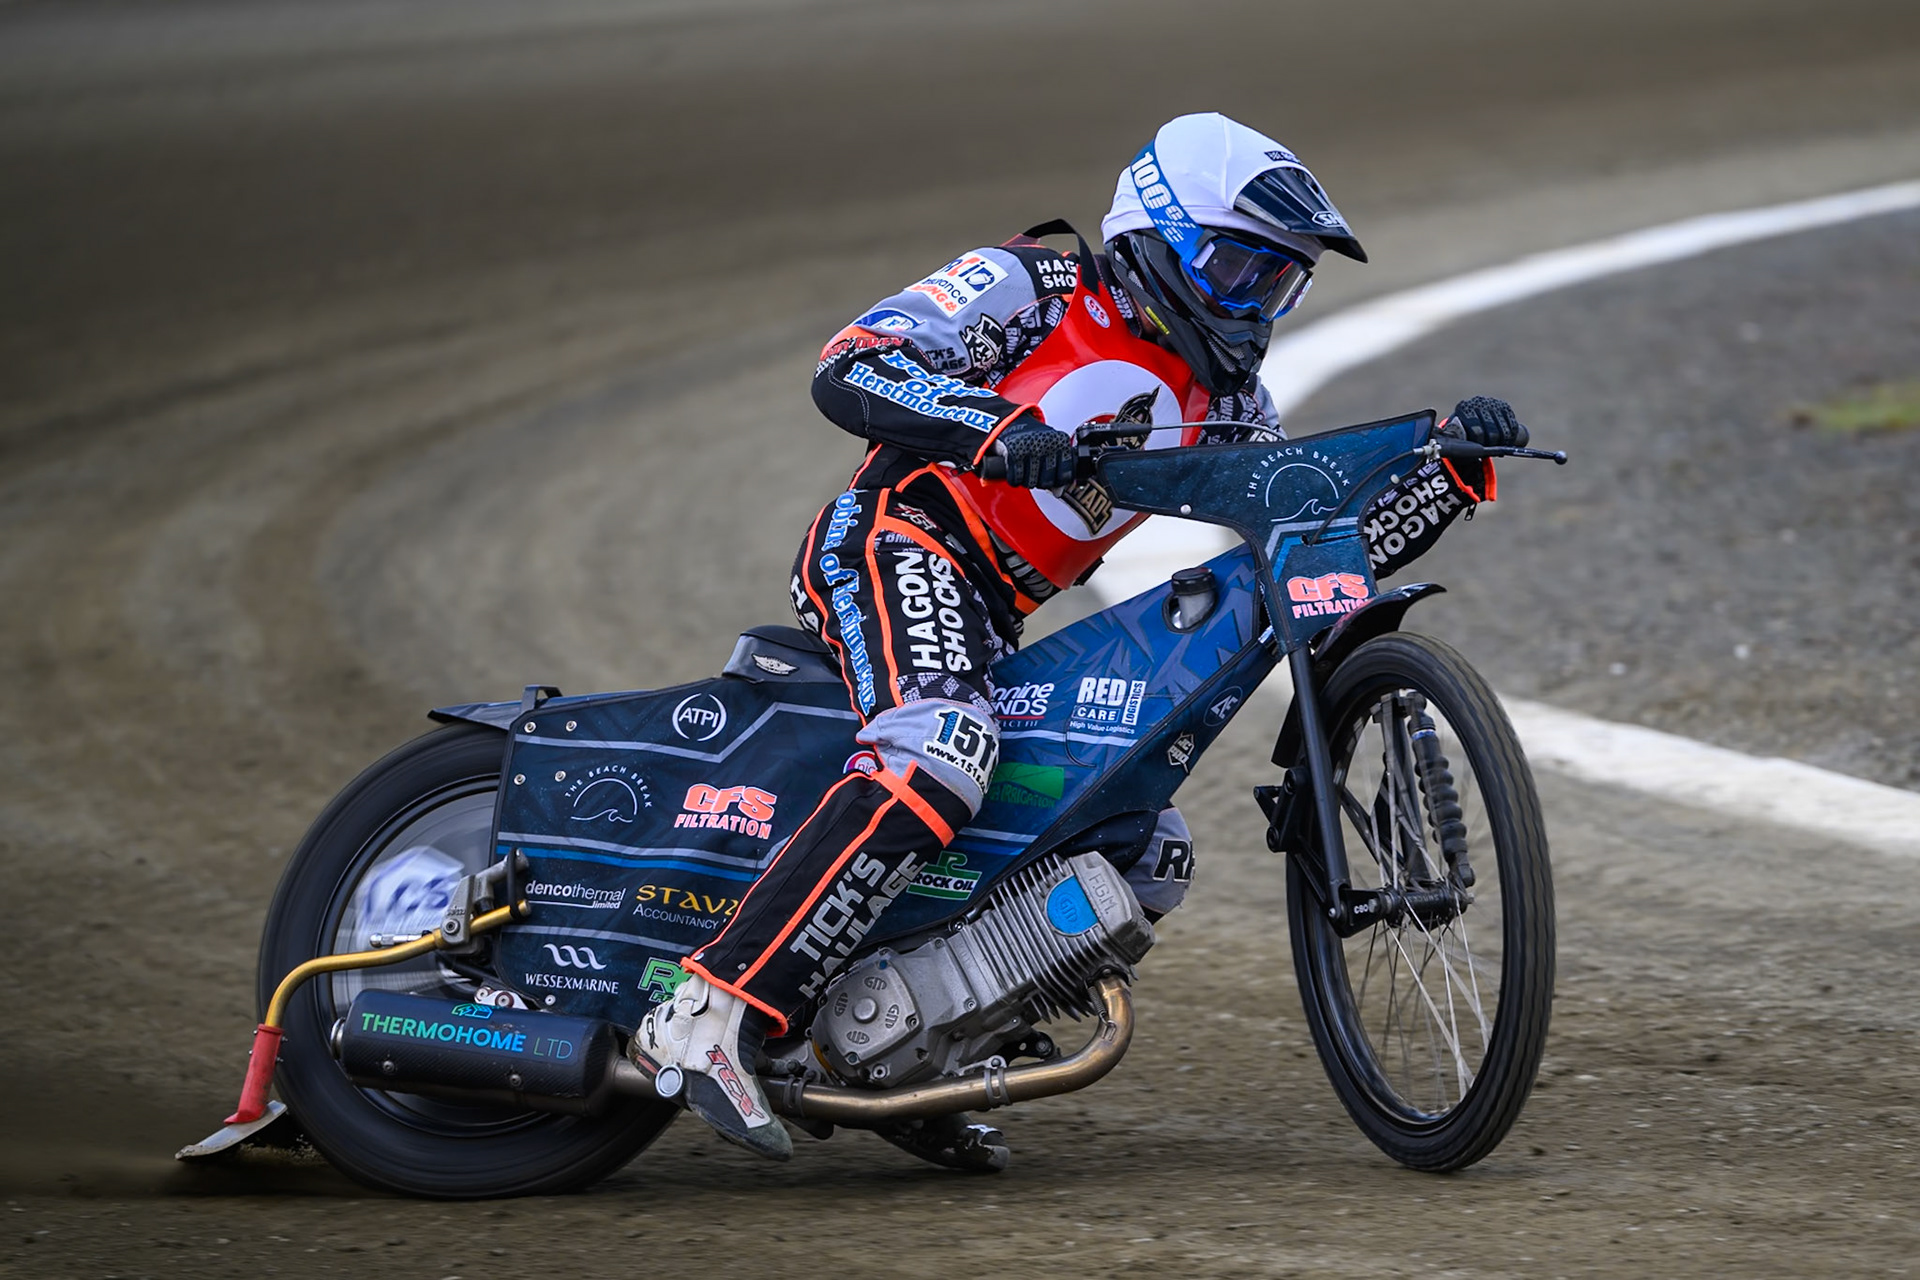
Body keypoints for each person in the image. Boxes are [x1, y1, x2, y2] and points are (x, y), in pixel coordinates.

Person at [627, 112, 1528, 1166]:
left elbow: (1308, 557)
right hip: (894, 536)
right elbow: (851, 364)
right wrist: (997, 431)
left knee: (1143, 843)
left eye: (1278, 283)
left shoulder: (1235, 402)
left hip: (990, 613)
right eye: (1236, 266)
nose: (1253, 304)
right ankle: (708, 1009)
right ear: (1154, 236)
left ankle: (908, 1063)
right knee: (940, 748)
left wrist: (1442, 475)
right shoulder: (1039, 288)